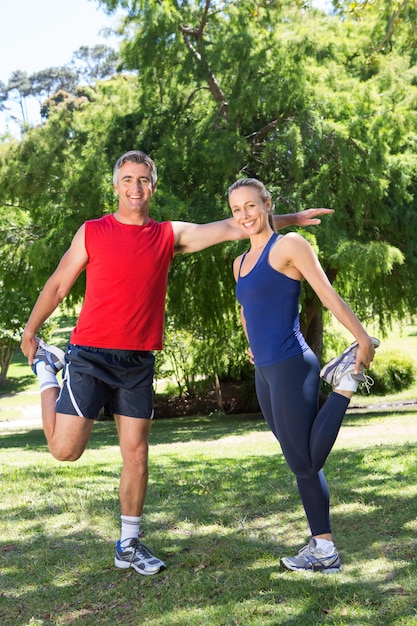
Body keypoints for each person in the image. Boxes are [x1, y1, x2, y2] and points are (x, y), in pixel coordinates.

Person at [21, 150, 333, 577]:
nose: (135, 188)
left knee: (136, 453)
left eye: (143, 180)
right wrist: (31, 330)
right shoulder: (92, 232)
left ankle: (128, 544)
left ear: (153, 185)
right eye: (127, 179)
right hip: (90, 355)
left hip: (138, 361)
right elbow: (58, 283)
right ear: (115, 185)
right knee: (65, 450)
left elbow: (235, 226)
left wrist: (292, 220)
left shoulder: (169, 235)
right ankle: (46, 371)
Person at [228, 177, 379, 573]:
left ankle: (345, 384)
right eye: (236, 209)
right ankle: (323, 547)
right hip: (265, 370)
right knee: (301, 459)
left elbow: (326, 293)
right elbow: (247, 310)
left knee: (305, 461)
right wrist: (251, 344)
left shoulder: (290, 246)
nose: (244, 215)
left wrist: (360, 336)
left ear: (267, 204)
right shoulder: (239, 263)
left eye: (250, 206)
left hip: (293, 364)